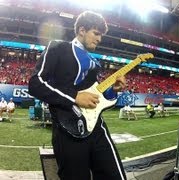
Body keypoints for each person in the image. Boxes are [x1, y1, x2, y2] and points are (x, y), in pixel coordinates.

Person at [28, 11, 127, 180]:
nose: (99, 39)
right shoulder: (57, 47)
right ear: (82, 30)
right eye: (96, 33)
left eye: (101, 35)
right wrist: (74, 97)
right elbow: (35, 83)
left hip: (96, 128)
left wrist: (113, 90)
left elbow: (97, 97)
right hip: (66, 131)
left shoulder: (95, 64)